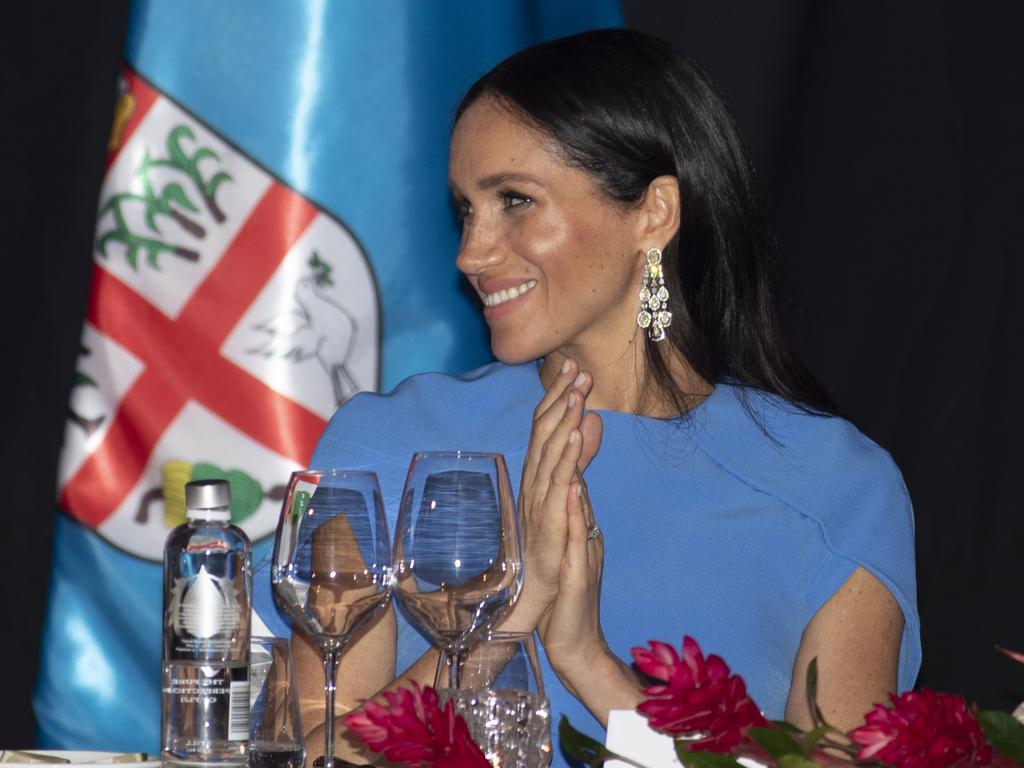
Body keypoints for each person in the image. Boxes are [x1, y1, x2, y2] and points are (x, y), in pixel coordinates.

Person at [253, 28, 920, 764]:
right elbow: (312, 756)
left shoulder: (837, 486)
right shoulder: (385, 446)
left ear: (655, 214)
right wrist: (505, 617)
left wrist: (588, 662)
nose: (470, 253)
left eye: (514, 201)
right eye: (466, 209)